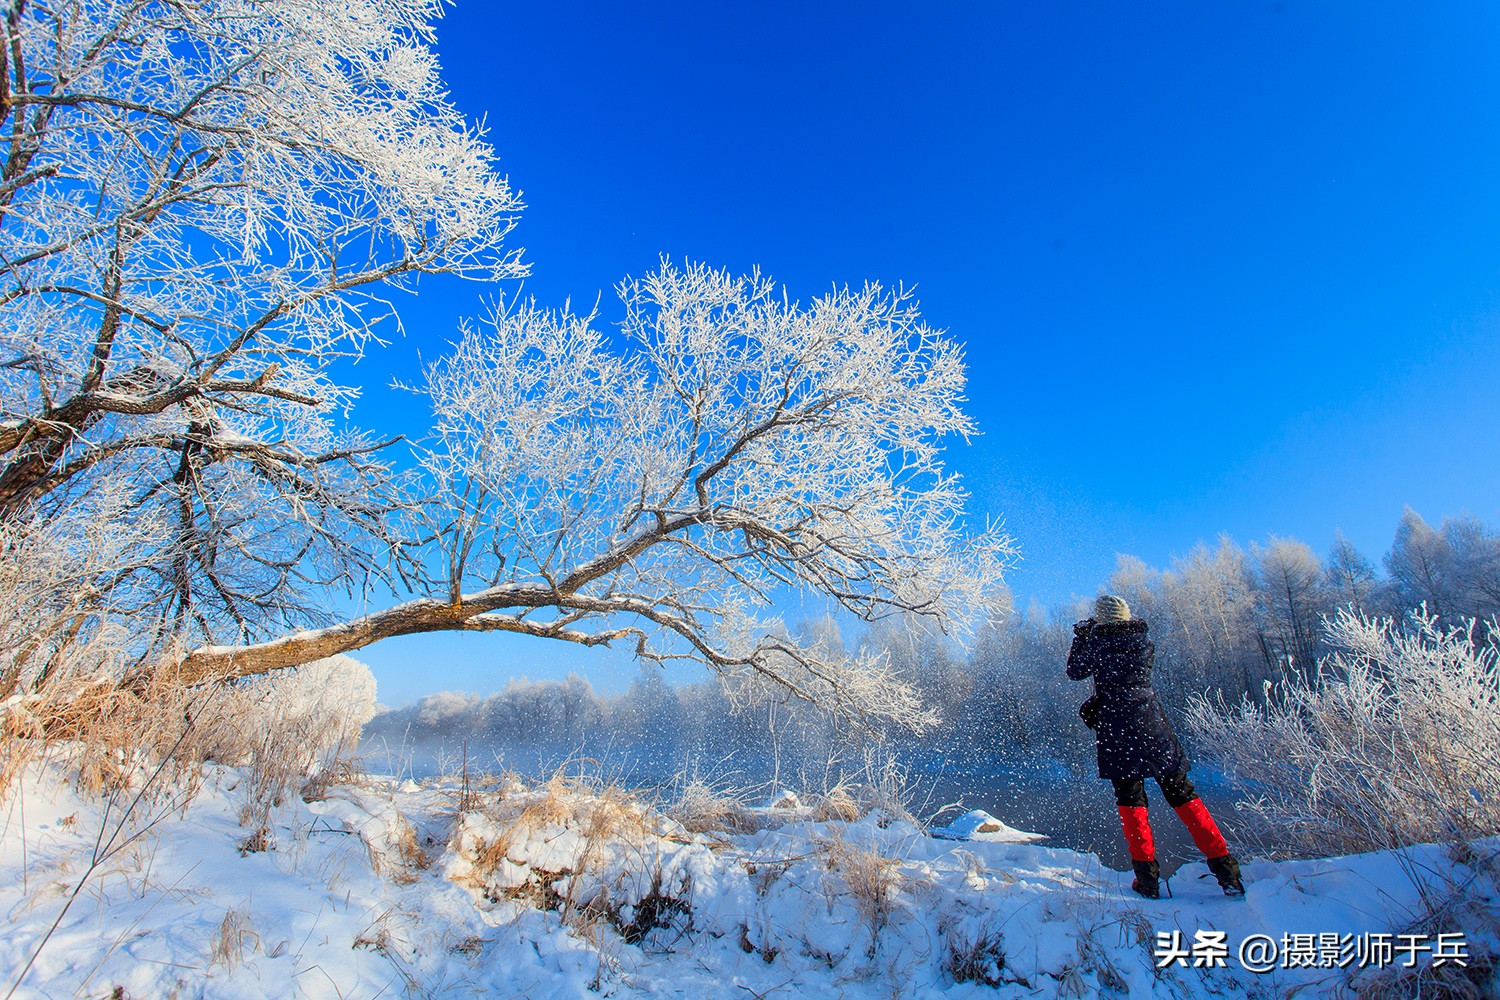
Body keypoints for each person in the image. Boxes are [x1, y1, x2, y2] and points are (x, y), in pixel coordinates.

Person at [1067, 594, 1245, 899]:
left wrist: (1082, 637)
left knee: (1131, 801)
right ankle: (1227, 872)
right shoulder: (1143, 642)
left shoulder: (1098, 644)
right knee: (1183, 794)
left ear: (1101, 619)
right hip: (1151, 723)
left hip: (1117, 728)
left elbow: (1075, 670)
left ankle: (1147, 881)